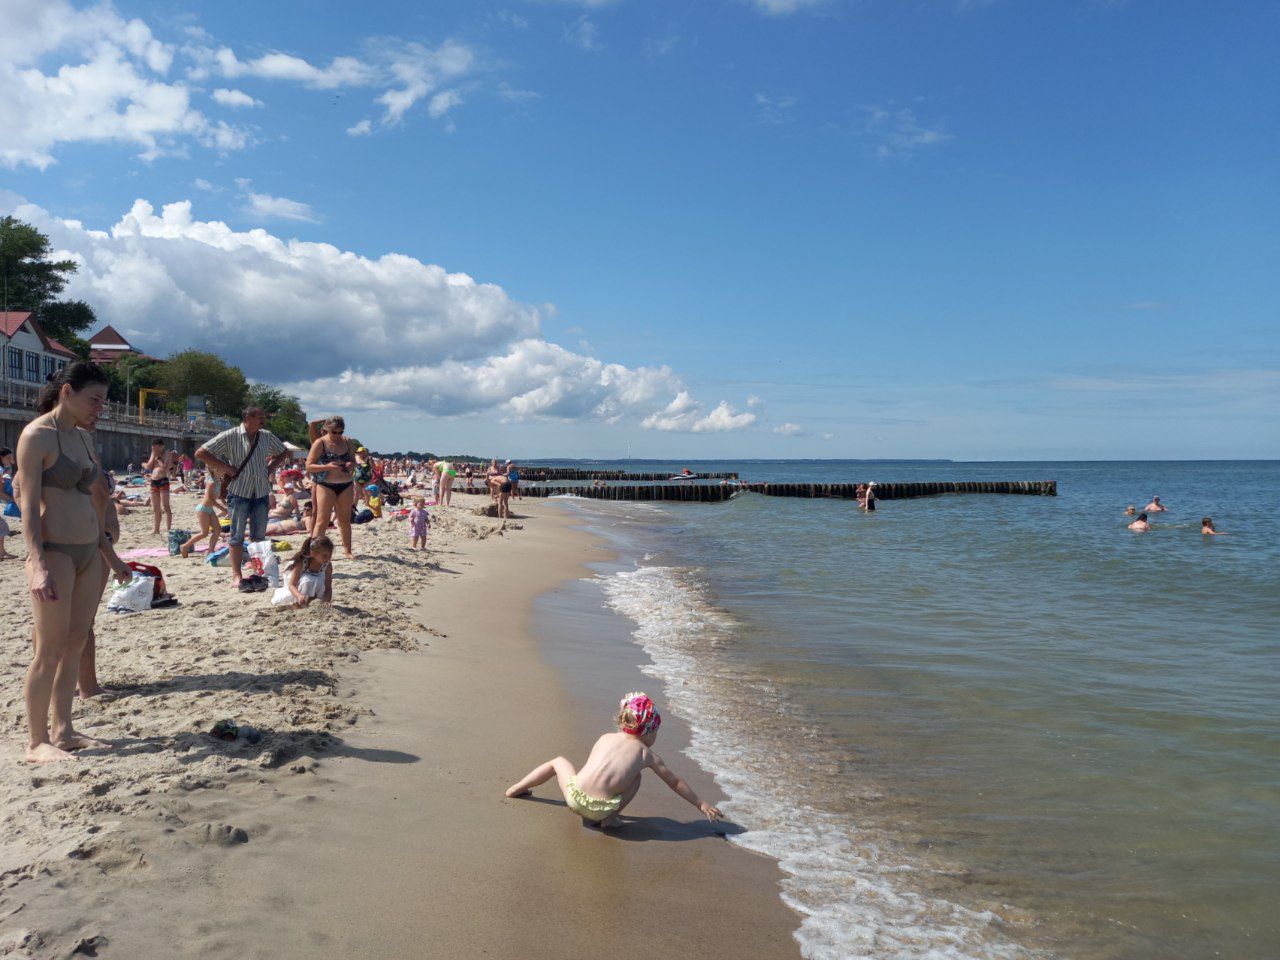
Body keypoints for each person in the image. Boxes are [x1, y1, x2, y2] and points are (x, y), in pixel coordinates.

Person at [18, 362, 130, 762]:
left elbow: (93, 500)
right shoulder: (36, 436)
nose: (100, 407)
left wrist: (108, 554)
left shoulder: (82, 438)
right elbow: (28, 505)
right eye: (93, 399)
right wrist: (38, 563)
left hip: (88, 551)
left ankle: (63, 730)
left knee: (75, 644)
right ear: (67, 392)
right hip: (56, 551)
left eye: (103, 400)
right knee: (48, 649)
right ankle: (36, 742)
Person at [505, 692, 722, 829]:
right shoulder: (646, 755)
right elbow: (675, 782)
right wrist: (700, 804)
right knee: (636, 778)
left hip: (574, 798)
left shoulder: (605, 738)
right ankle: (611, 819)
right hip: (601, 809)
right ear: (649, 732)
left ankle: (517, 788)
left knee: (558, 761)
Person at [196, 407, 289, 589]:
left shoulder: (266, 436)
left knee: (259, 536)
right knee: (236, 536)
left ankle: (258, 571)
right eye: (259, 417)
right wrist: (225, 467)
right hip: (239, 491)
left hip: (261, 490)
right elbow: (201, 453)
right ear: (247, 417)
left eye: (263, 417)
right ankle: (236, 575)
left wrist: (270, 468)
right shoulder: (230, 435)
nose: (263, 420)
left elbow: (283, 452)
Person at [271, 536, 334, 608]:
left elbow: (328, 587)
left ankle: (311, 600)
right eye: (324, 555)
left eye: (330, 555)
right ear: (313, 553)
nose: (328, 558)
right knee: (308, 580)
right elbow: (291, 585)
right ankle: (298, 605)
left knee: (318, 581)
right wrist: (299, 596)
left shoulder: (327, 565)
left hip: (314, 588)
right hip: (296, 589)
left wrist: (327, 601)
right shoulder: (301, 563)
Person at [178, 475, 227, 558]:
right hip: (203, 509)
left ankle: (211, 551)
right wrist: (222, 508)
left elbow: (219, 497)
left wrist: (225, 505)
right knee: (204, 533)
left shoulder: (218, 481)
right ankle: (184, 546)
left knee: (217, 530)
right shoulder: (211, 481)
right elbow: (209, 499)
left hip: (209, 509)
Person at [142, 438, 173, 535]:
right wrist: (152, 457)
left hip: (163, 480)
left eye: (156, 448)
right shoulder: (154, 453)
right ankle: (156, 530)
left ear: (161, 446)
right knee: (156, 508)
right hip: (153, 481)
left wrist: (158, 458)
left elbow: (164, 468)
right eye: (153, 449)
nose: (155, 450)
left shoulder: (167, 453)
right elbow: (148, 467)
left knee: (166, 506)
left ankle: (168, 529)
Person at [0, 447, 16, 560]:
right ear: (1, 457)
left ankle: (2, 552)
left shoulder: (5, 469)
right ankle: (2, 553)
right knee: (2, 526)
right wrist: (13, 499)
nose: (11, 460)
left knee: (2, 526)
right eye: (8, 457)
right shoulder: (1, 471)